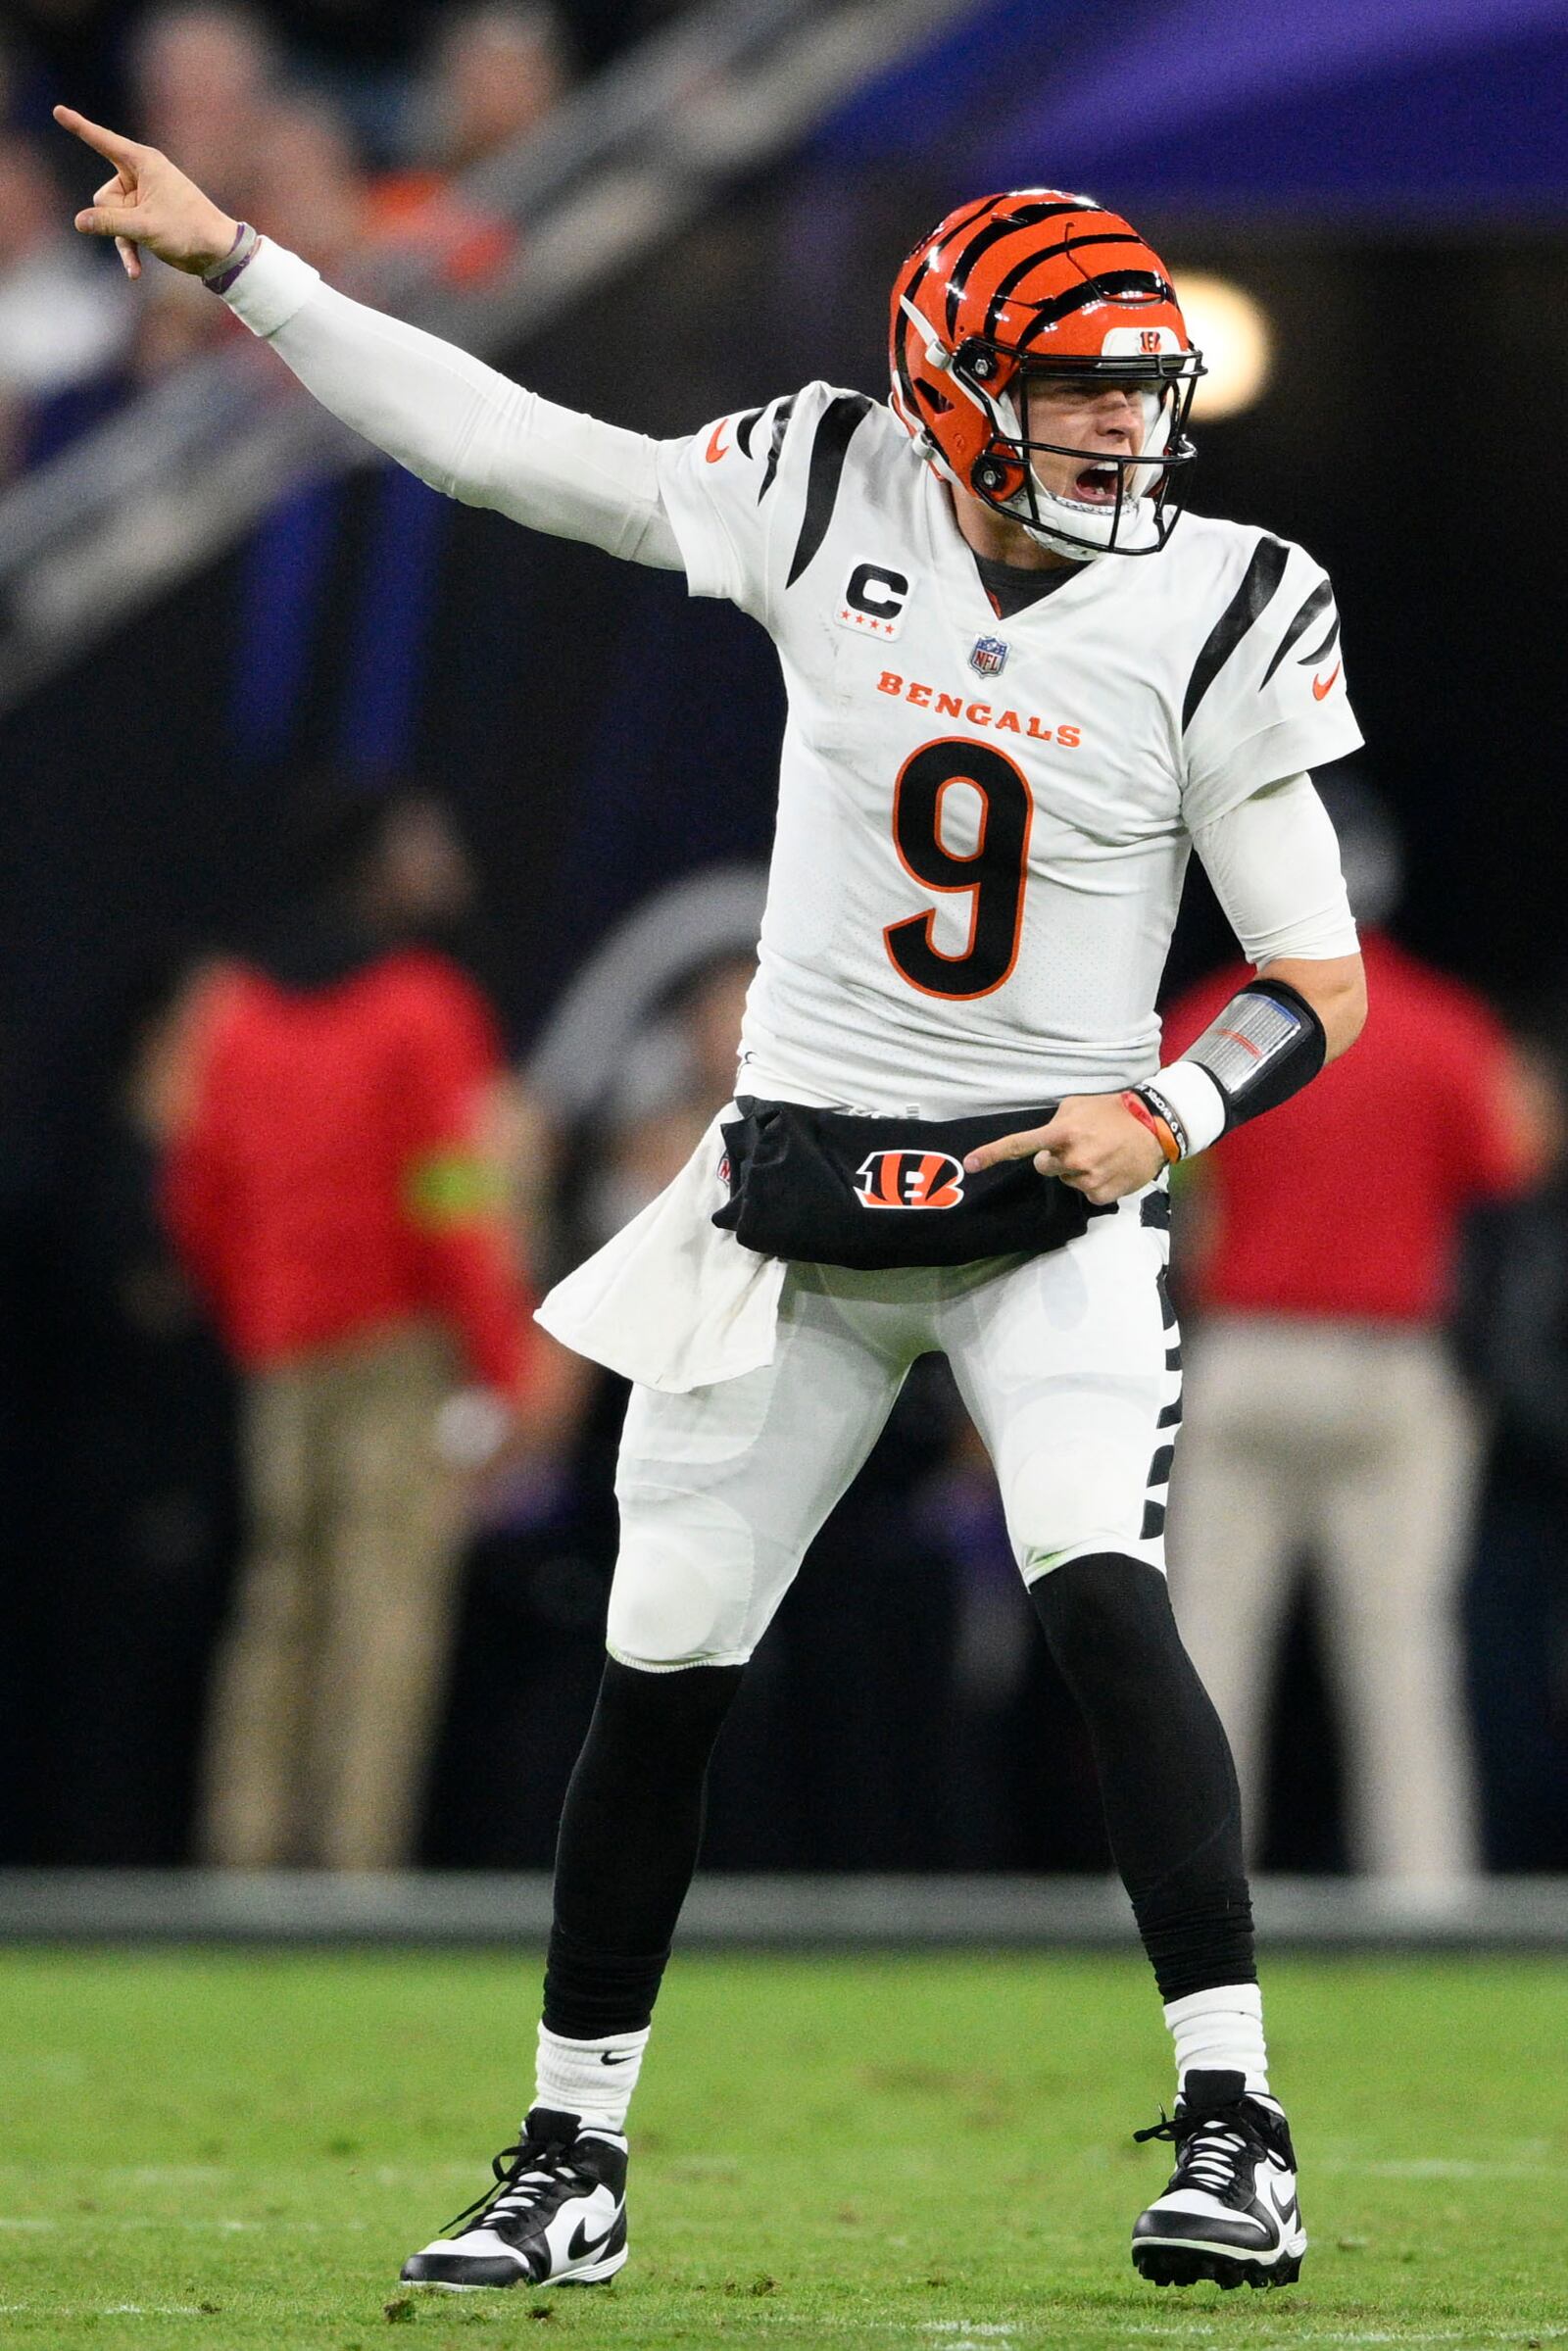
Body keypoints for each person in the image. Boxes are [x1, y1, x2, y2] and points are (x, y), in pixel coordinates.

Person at [58, 111, 1369, 2295]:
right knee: (656, 1663)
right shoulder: (820, 482)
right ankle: (571, 2151)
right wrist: (245, 268)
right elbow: (504, 447)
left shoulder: (1224, 601)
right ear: (950, 387)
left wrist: (1167, 1107)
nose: (1119, 435)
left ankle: (1235, 2121)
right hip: (791, 1201)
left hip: (1047, 1198)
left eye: (1137, 395)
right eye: (1073, 394)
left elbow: (1303, 978)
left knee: (1095, 1593)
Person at [163, 785, 541, 1870]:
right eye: (420, 842)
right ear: (375, 865)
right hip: (394, 1351)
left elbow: (200, 1194)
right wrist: (501, 1362)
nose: (443, 857)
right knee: (383, 1615)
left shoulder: (236, 1013)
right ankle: (352, 1865)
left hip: (282, 1352)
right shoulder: (422, 1007)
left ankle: (243, 1851)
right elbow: (451, 1197)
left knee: (277, 1606)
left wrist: (257, 1312)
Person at [1163, 780, 1531, 1882]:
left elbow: (1167, 1203)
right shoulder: (1444, 1025)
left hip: (1247, 1359)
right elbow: (1510, 1182)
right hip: (1390, 1369)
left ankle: (1182, 1902)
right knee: (1401, 1662)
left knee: (1209, 1654)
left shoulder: (1213, 1021)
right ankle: (1424, 1910)